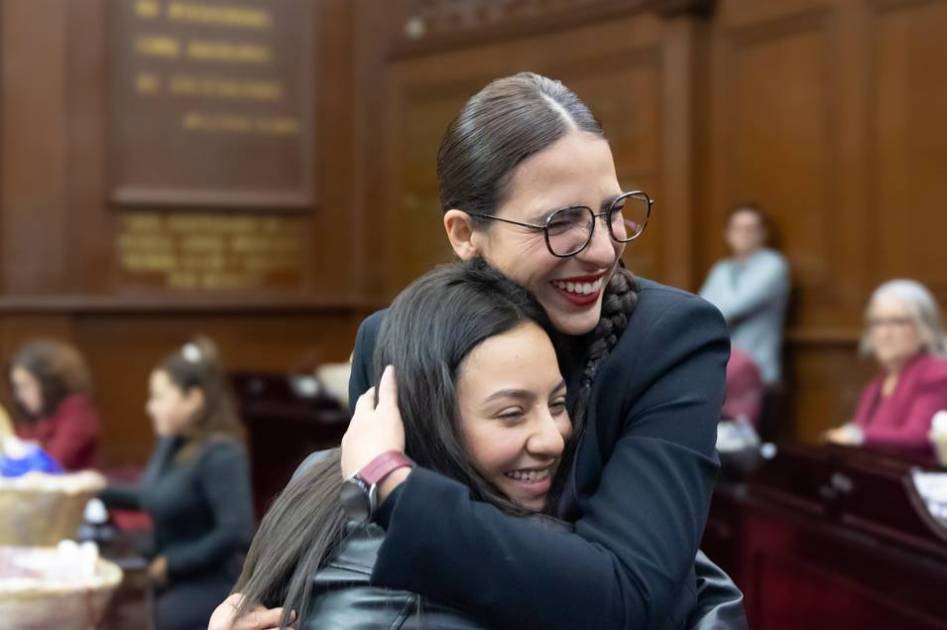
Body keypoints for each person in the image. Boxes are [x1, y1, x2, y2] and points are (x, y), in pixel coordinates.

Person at [216, 72, 745, 630]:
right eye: (560, 222)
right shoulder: (390, 341)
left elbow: (632, 593)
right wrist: (261, 592)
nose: (601, 249)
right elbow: (372, 567)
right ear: (465, 233)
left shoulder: (667, 338)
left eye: (613, 210)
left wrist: (393, 485)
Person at [226, 262, 571, 628]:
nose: (552, 439)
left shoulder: (319, 474)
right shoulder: (456, 590)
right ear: (427, 417)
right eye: (512, 413)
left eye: (558, 404)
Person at [101, 337, 254, 630]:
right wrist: (98, 488)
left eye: (158, 397)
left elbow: (236, 531)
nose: (149, 407)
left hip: (211, 581)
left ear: (193, 399)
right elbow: (151, 495)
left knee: (143, 617)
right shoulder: (172, 442)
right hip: (172, 575)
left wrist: (172, 564)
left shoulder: (222, 453)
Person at [825, 280, 947, 452]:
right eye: (877, 322)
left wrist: (857, 436)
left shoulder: (937, 374)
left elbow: (919, 435)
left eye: (897, 322)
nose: (884, 333)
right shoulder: (876, 384)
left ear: (924, 327)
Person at [699, 204, 790, 387]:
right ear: (727, 233)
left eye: (750, 228)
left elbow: (729, 309)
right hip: (722, 371)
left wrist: (711, 309)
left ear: (763, 233)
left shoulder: (773, 265)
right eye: (737, 228)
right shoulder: (722, 268)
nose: (743, 234)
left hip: (758, 373)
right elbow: (701, 311)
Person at [8, 339, 100, 471]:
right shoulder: (33, 417)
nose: (19, 396)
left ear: (47, 382)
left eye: (25, 386)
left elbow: (55, 462)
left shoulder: (76, 409)